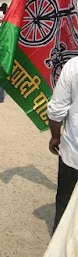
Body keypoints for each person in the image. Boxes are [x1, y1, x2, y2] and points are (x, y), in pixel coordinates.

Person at [47, 57, 78, 231]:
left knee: (65, 202)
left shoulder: (74, 66)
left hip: (73, 153)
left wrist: (55, 137)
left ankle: (58, 251)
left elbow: (56, 110)